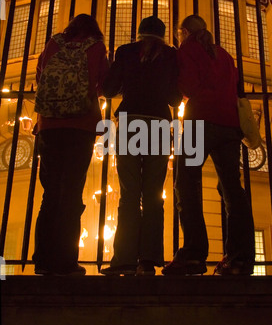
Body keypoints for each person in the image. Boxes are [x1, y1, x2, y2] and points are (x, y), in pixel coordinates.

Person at [162, 15, 255, 276]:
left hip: (199, 121)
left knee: (186, 183)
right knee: (231, 188)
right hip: (229, 125)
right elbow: (236, 88)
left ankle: (193, 253)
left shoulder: (188, 49)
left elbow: (187, 85)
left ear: (183, 32)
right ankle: (241, 257)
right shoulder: (224, 54)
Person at [101, 16, 182, 276]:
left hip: (130, 122)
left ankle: (123, 259)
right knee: (153, 195)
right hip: (158, 124)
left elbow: (110, 89)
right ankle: (148, 260)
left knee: (128, 193)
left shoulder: (125, 51)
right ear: (163, 34)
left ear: (139, 33)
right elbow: (175, 97)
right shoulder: (171, 55)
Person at [33, 14, 109, 276]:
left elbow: (40, 74)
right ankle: (66, 261)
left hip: (50, 125)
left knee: (49, 194)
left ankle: (42, 259)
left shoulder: (54, 44)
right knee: (72, 193)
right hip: (81, 125)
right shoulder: (96, 47)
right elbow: (103, 83)